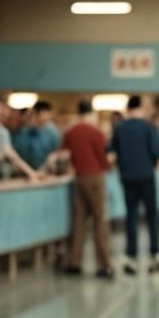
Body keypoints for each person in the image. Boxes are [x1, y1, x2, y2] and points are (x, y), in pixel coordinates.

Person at [107, 95, 159, 275]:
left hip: (127, 178)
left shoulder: (120, 128)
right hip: (146, 177)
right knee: (151, 216)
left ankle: (131, 257)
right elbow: (155, 152)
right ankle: (155, 254)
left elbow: (111, 153)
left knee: (131, 217)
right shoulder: (148, 127)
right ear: (140, 108)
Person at [57, 99, 114, 278]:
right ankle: (104, 265)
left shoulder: (70, 132)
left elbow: (65, 154)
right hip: (95, 178)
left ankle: (75, 262)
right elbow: (103, 156)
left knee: (79, 220)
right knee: (99, 220)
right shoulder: (95, 132)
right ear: (91, 114)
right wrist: (109, 166)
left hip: (79, 178)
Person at [14, 100, 60, 171]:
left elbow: (57, 151)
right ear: (36, 113)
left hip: (47, 172)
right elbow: (19, 153)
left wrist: (53, 159)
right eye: (44, 113)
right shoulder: (25, 131)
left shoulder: (52, 132)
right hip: (26, 172)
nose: (47, 116)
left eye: (48, 114)